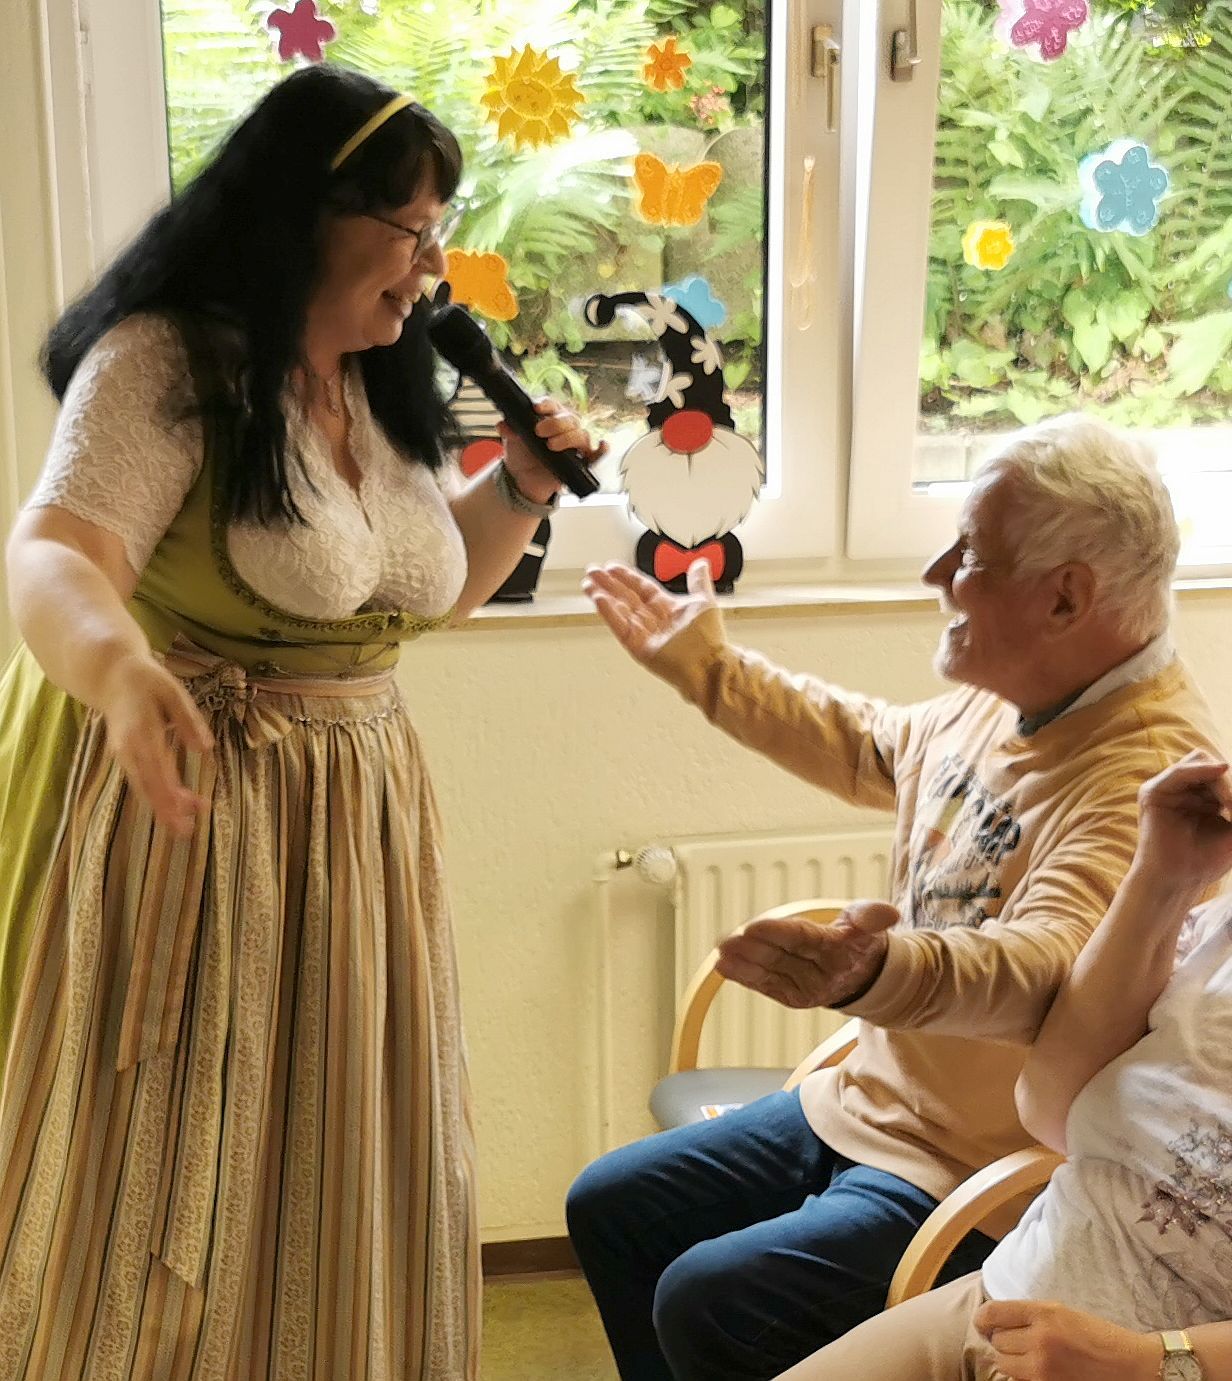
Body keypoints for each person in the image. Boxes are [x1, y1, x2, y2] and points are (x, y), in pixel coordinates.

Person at [0, 66, 601, 1379]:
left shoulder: (374, 382)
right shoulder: (165, 361)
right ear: (304, 215)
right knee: (177, 1167)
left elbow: (417, 592)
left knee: (341, 1154)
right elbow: (50, 553)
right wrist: (117, 669)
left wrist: (522, 485)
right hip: (203, 812)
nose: (430, 270)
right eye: (411, 232)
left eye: (439, 235)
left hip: (358, 833)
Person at [567, 415, 1222, 1381]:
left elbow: (1043, 968)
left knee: (710, 1297)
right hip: (866, 1102)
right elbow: (876, 745)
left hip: (971, 1171)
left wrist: (878, 969)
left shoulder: (1146, 771)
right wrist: (708, 668)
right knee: (613, 1206)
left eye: (972, 555)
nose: (937, 572)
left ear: (1066, 596)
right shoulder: (1019, 690)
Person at [777, 751, 1232, 1381]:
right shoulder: (1214, 929)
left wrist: (1153, 1361)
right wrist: (1162, 880)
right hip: (1007, 1300)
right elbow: (1050, 1109)